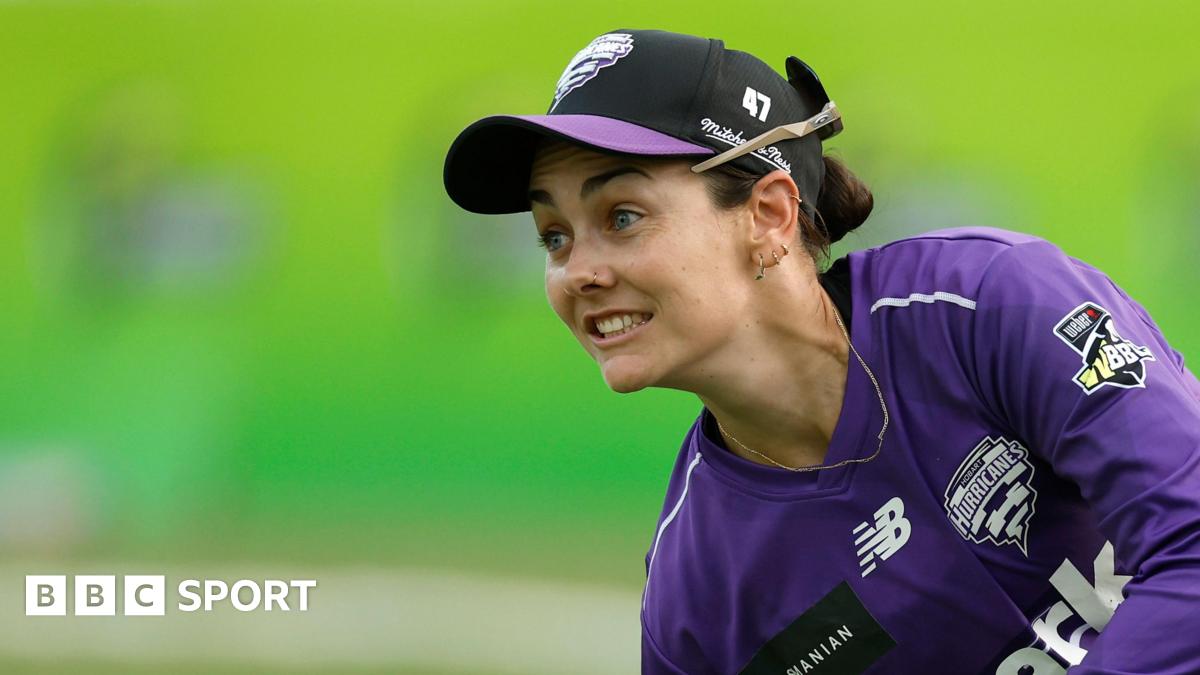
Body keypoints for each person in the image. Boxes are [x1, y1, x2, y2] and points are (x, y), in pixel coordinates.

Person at [442, 28, 1200, 674]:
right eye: (554, 237)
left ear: (768, 215)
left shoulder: (989, 306)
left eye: (624, 214)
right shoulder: (697, 599)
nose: (581, 271)